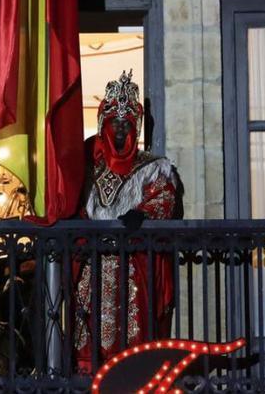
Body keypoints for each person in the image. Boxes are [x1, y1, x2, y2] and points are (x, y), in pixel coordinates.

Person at [74, 70, 184, 373]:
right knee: (88, 332)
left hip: (132, 267)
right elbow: (70, 202)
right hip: (92, 264)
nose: (120, 131)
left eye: (126, 124)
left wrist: (143, 213)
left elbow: (165, 198)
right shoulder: (84, 166)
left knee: (134, 331)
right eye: (114, 124)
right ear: (103, 126)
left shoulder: (152, 167)